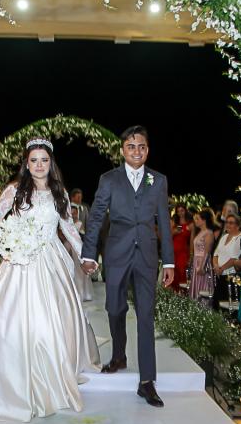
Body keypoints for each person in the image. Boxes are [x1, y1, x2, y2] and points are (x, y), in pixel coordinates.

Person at [0, 138, 100, 422]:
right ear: (26, 163)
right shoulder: (15, 190)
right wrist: (11, 238)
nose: (39, 165)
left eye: (44, 160)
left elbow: (69, 228)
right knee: (12, 316)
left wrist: (86, 256)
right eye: (34, 160)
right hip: (20, 259)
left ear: (51, 163)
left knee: (52, 316)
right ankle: (11, 373)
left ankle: (51, 370)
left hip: (51, 259)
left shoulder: (59, 193)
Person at [81, 126, 175, 408]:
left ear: (148, 150)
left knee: (146, 315)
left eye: (141, 146)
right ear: (123, 150)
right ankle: (119, 355)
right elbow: (96, 217)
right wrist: (88, 254)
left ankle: (147, 381)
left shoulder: (158, 180)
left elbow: (164, 222)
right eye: (131, 146)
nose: (137, 151)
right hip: (117, 254)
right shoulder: (109, 179)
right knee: (114, 308)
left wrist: (168, 260)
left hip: (146, 256)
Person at [212, 214, 241, 308]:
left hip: (232, 277)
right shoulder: (224, 236)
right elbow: (215, 254)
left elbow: (237, 258)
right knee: (217, 304)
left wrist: (221, 269)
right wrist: (216, 266)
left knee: (229, 305)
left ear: (238, 226)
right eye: (227, 222)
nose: (228, 225)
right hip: (219, 274)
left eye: (231, 223)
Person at [189, 208, 218, 304]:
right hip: (196, 261)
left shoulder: (209, 233)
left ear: (204, 220)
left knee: (202, 286)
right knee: (196, 285)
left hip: (202, 262)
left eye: (198, 219)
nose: (196, 221)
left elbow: (207, 251)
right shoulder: (200, 232)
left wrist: (202, 266)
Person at [171, 204, 194, 292]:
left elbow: (192, 241)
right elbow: (167, 237)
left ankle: (183, 295)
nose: (180, 213)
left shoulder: (190, 224)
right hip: (173, 252)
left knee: (182, 273)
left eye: (182, 211)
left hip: (183, 253)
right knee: (173, 274)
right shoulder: (174, 222)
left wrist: (191, 255)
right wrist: (174, 232)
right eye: (178, 211)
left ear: (185, 211)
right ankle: (173, 295)